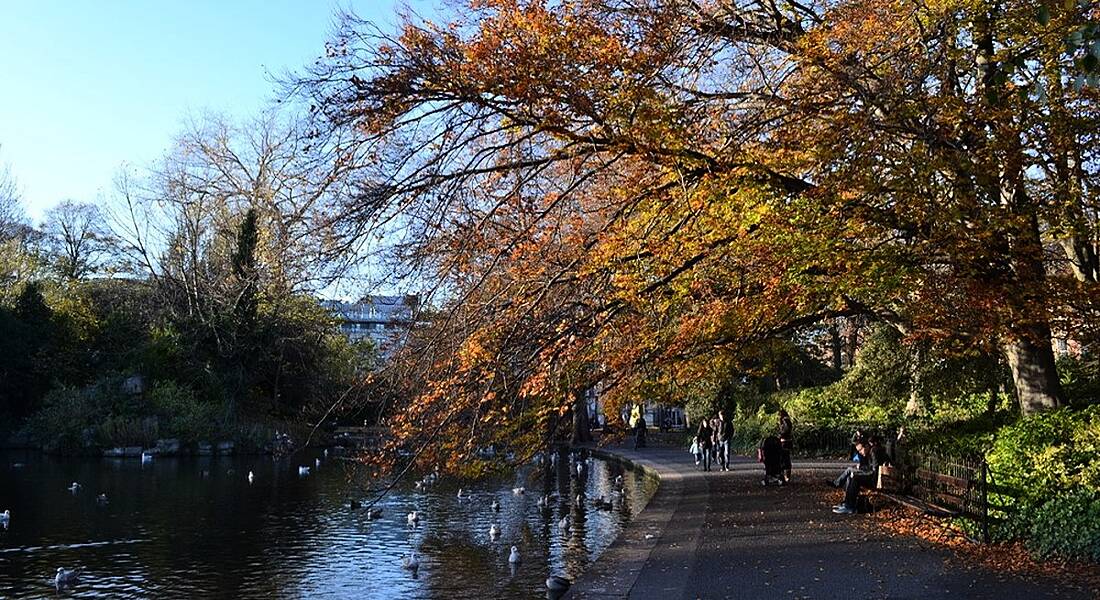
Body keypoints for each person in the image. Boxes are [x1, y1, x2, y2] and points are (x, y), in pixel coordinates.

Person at [833, 435, 891, 514]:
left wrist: (860, 473)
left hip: (877, 480)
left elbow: (874, 471)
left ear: (866, 446)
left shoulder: (873, 452)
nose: (860, 452)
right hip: (875, 478)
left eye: (860, 450)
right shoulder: (870, 452)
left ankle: (849, 506)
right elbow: (870, 468)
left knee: (855, 478)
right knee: (851, 477)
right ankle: (847, 504)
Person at [777, 410, 794, 483]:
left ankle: (785, 476)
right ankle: (786, 476)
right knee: (786, 458)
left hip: (785, 441)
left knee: (784, 459)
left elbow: (786, 430)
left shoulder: (785, 420)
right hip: (788, 441)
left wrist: (781, 433)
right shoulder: (788, 420)